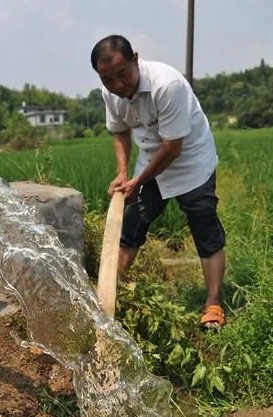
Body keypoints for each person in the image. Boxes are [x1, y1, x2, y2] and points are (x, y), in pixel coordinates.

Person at [91, 35, 226, 330]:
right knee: (132, 224)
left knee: (204, 225)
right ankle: (111, 301)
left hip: (190, 160)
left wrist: (139, 180)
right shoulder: (109, 92)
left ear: (135, 59)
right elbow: (120, 131)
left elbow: (173, 148)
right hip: (152, 160)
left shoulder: (167, 85)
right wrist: (124, 173)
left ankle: (213, 304)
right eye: (107, 79)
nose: (117, 85)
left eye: (122, 74)